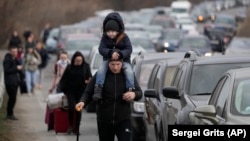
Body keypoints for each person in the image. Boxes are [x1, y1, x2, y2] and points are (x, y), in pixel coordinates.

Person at [75, 58, 142, 141]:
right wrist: (82, 102)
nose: (115, 68)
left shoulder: (128, 76)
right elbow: (88, 92)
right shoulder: (100, 75)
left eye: (118, 64)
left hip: (123, 119)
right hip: (104, 119)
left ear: (122, 64)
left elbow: (139, 93)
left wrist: (134, 94)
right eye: (112, 64)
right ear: (108, 64)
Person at [93, 12, 134, 101]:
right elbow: (101, 49)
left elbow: (129, 49)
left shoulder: (124, 37)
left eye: (113, 31)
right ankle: (98, 88)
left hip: (124, 61)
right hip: (108, 61)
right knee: (101, 70)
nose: (110, 34)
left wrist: (121, 54)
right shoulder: (104, 38)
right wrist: (110, 53)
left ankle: (130, 88)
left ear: (118, 30)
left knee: (129, 71)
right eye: (108, 31)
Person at [59, 51, 92, 134]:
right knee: (70, 107)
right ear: (74, 60)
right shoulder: (69, 67)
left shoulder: (86, 66)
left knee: (78, 109)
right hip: (71, 90)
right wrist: (64, 90)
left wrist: (88, 81)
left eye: (80, 61)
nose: (78, 62)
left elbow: (90, 77)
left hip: (81, 91)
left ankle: (77, 128)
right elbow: (63, 80)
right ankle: (70, 125)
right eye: (77, 61)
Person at [3, 46, 22, 120]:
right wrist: (16, 68)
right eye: (13, 51)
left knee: (13, 98)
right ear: (10, 51)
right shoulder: (7, 59)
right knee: (12, 98)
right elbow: (7, 70)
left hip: (14, 81)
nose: (15, 53)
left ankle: (10, 113)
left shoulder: (15, 59)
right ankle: (9, 114)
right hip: (9, 82)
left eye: (16, 51)